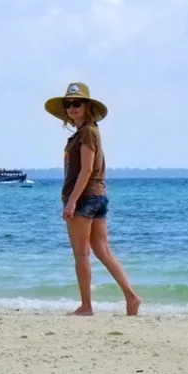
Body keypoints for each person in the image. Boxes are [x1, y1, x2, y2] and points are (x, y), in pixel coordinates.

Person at [47, 81, 142, 317]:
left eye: (77, 103)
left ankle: (86, 306)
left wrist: (71, 202)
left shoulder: (88, 133)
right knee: (102, 251)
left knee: (81, 253)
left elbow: (87, 169)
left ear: (87, 106)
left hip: (85, 198)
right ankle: (131, 297)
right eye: (68, 104)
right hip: (98, 196)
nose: (72, 108)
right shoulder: (85, 133)